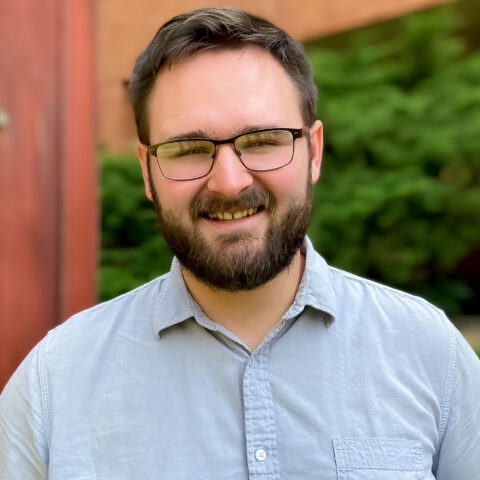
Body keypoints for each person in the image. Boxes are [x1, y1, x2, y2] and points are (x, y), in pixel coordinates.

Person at [1, 7, 479, 479]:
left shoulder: (428, 353)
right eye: (189, 149)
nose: (229, 183)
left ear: (313, 152)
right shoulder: (53, 385)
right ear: (147, 171)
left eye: (263, 140)